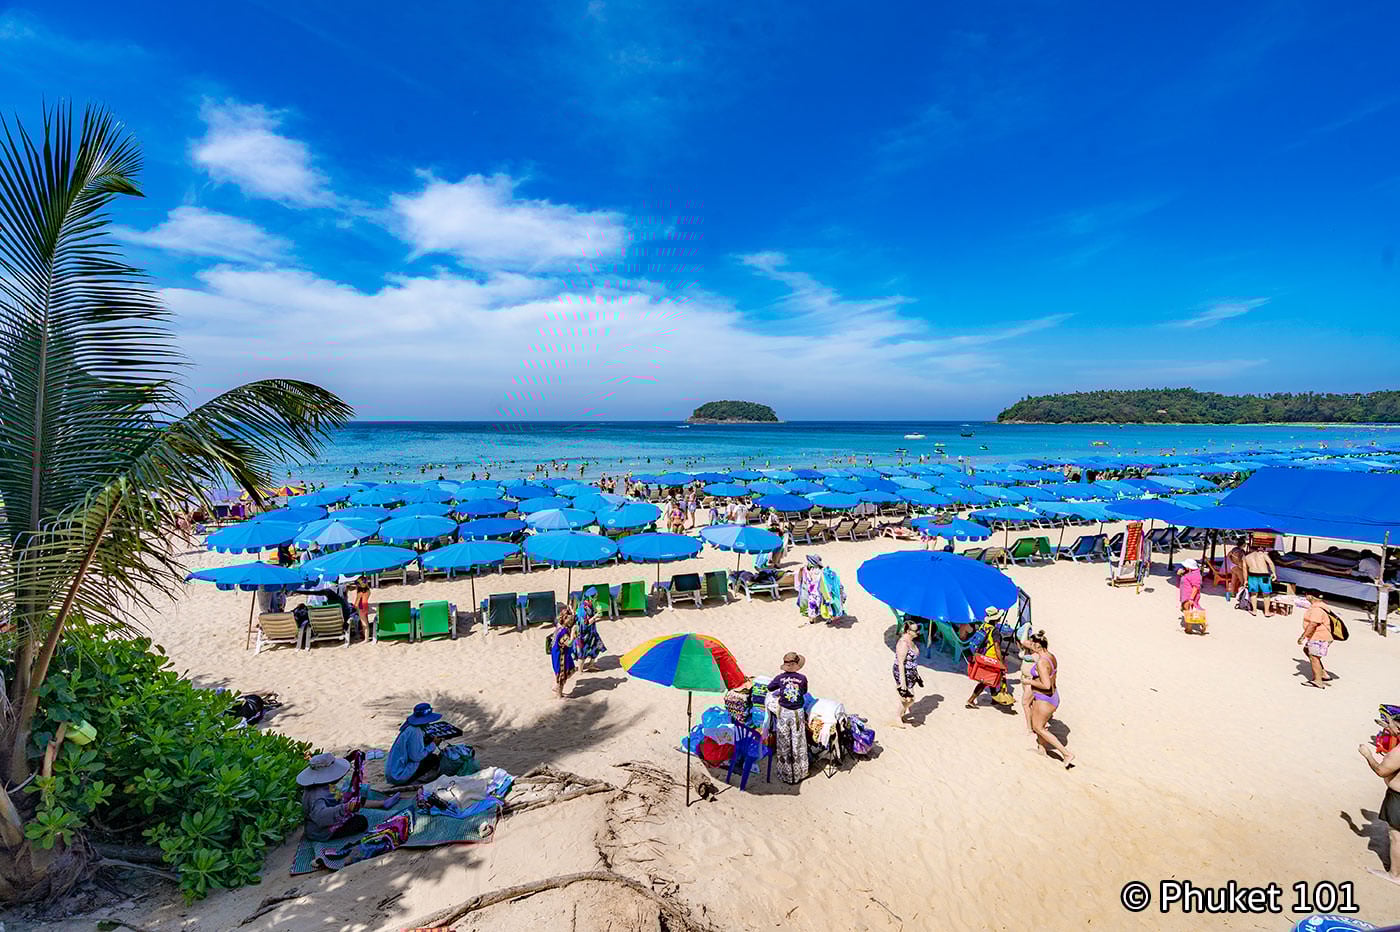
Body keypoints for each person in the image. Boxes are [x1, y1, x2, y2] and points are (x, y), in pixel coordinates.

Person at [298, 752, 399, 841]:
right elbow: (321, 818)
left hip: (331, 813)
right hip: (321, 831)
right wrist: (345, 808)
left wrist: (352, 758)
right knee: (360, 822)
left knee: (353, 798)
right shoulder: (317, 797)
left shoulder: (324, 785)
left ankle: (383, 803)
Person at [1021, 631, 1075, 769]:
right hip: (1052, 696)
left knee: (1038, 727)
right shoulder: (1050, 656)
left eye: (1033, 645)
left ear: (1038, 646)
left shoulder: (1041, 662)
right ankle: (1041, 749)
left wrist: (1029, 682)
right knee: (1040, 724)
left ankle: (1066, 754)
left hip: (1045, 698)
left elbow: (1046, 685)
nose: (1030, 646)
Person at [1360, 706, 1400, 886]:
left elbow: (1381, 771)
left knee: (1396, 836)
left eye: (1390, 724)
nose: (1387, 727)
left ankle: (1395, 874)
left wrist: (1367, 755)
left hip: (1398, 798)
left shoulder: (1398, 754)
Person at [768, 652, 810, 784]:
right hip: (797, 713)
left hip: (784, 713)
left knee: (783, 742)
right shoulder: (802, 678)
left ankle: (785, 774)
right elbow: (803, 691)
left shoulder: (780, 678)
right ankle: (799, 773)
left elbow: (770, 687)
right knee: (798, 742)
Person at [385, 703, 443, 785]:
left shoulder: (411, 728)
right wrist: (433, 744)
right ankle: (415, 781)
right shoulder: (415, 731)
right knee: (433, 759)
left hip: (393, 772)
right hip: (398, 775)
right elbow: (416, 757)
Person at [1297, 591, 1335, 688]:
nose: (1306, 597)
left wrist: (1303, 636)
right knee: (1307, 650)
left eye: (1306, 595)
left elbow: (1313, 624)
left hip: (1319, 637)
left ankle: (1318, 681)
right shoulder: (1322, 606)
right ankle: (1323, 674)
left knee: (1314, 657)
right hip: (1322, 636)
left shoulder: (1317, 610)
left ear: (1310, 596)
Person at [893, 619, 924, 721]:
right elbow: (901, 664)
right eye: (915, 630)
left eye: (917, 630)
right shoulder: (903, 643)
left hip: (911, 673)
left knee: (909, 698)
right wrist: (903, 684)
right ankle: (897, 717)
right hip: (903, 673)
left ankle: (901, 715)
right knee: (909, 698)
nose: (918, 632)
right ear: (908, 631)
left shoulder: (911, 641)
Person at [573, 594, 606, 671]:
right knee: (582, 653)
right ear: (590, 597)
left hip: (592, 633)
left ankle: (591, 665)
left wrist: (597, 614)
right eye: (595, 597)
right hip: (584, 635)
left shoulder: (590, 605)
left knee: (598, 646)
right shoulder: (584, 609)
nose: (596, 598)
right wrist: (595, 616)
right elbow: (586, 623)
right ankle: (580, 671)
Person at [1242, 543, 1276, 615]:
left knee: (1253, 594)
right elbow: (1271, 563)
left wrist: (1245, 580)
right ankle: (1267, 612)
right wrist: (1274, 573)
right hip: (1264, 576)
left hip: (1252, 576)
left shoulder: (1246, 557)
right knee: (1266, 594)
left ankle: (1254, 611)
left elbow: (1244, 569)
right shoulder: (1262, 554)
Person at [551, 609, 577, 698]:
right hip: (560, 656)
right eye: (569, 620)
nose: (571, 622)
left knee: (571, 670)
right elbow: (569, 643)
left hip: (562, 653)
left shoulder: (560, 626)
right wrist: (573, 633)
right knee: (562, 676)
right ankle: (559, 695)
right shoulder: (563, 632)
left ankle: (556, 686)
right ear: (564, 619)